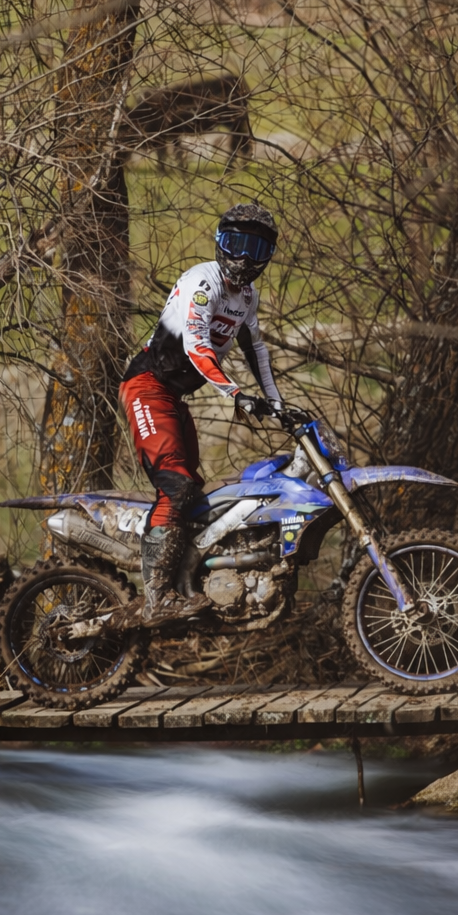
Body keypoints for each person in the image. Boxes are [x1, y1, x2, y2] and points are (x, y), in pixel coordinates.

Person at [115, 203, 283, 627]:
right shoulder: (201, 282)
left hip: (173, 396)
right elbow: (196, 347)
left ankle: (189, 576)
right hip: (148, 385)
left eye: (255, 247)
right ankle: (156, 599)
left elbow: (256, 349)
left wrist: (277, 403)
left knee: (195, 492)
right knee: (176, 483)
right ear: (219, 243)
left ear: (267, 256)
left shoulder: (246, 297)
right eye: (236, 244)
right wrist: (237, 393)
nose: (244, 257)